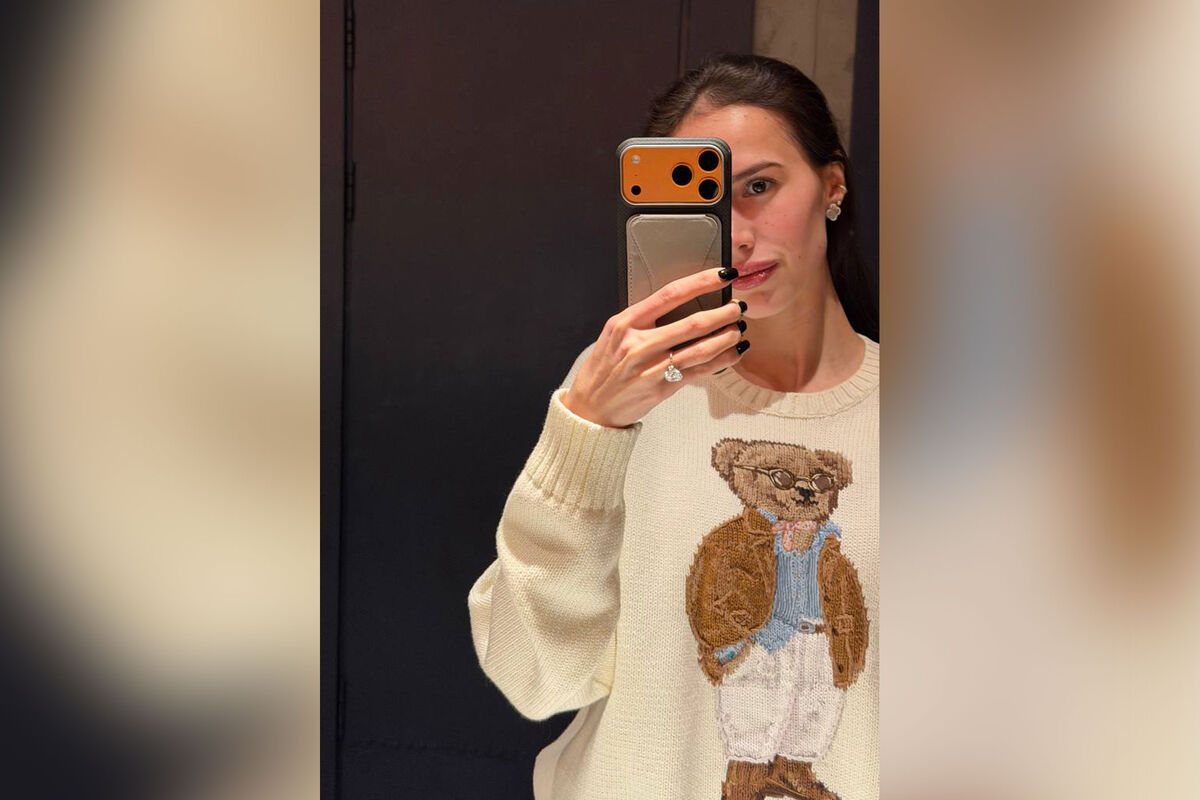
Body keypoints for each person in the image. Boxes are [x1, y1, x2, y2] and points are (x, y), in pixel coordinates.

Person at [468, 54, 878, 800]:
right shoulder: (621, 395)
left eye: (759, 187)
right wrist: (586, 430)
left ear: (833, 185)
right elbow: (536, 678)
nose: (737, 234)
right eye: (704, 205)